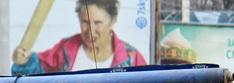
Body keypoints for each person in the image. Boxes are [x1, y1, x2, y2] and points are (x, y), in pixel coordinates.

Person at [12, 0, 146, 76]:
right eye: (85, 22)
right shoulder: (65, 49)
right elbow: (35, 75)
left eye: (97, 23)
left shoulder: (132, 58)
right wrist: (24, 61)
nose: (90, 30)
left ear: (112, 21)